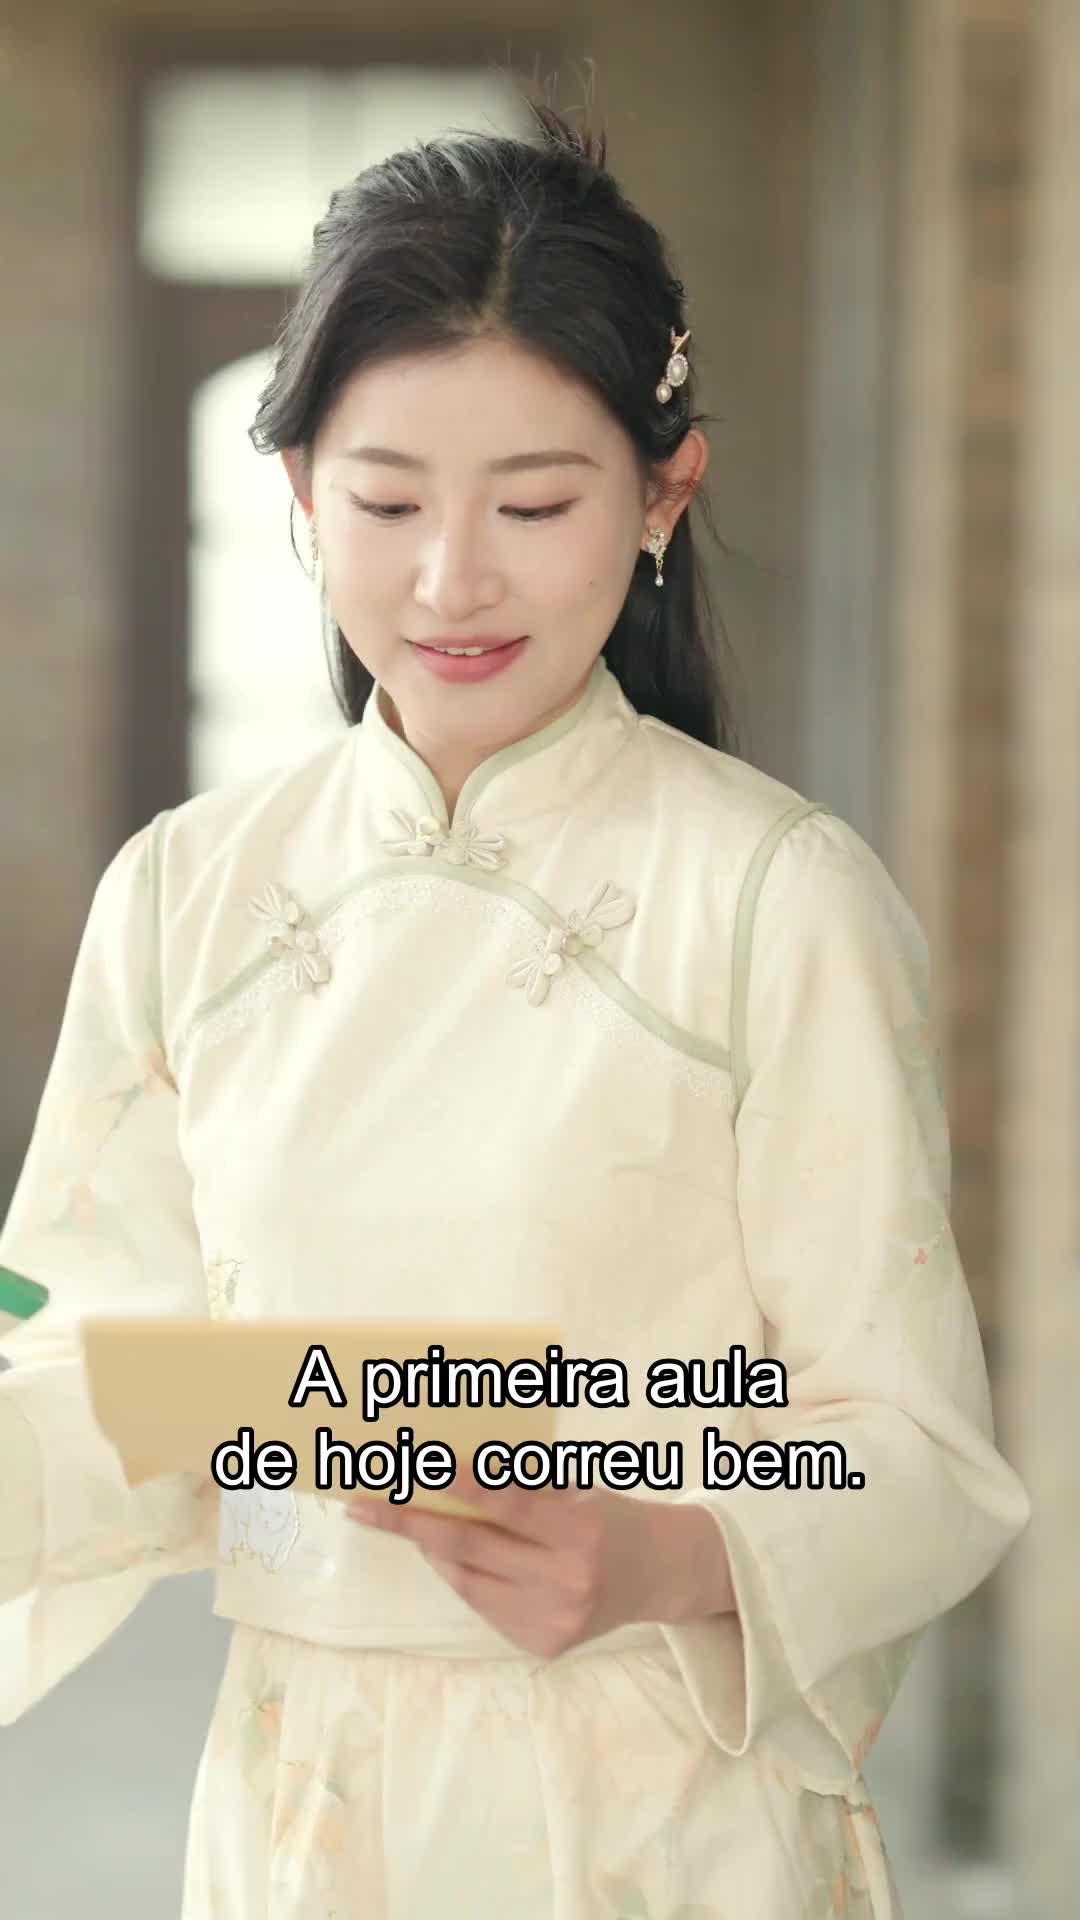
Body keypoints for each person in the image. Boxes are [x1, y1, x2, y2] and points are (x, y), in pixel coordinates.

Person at [0, 98, 1030, 1919]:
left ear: (663, 493)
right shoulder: (185, 893)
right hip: (302, 1806)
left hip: (656, 1818)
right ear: (299, 495)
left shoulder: (774, 898)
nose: (451, 579)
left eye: (536, 505)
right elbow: (105, 1369)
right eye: (387, 502)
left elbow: (919, 1448)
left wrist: (665, 1552)